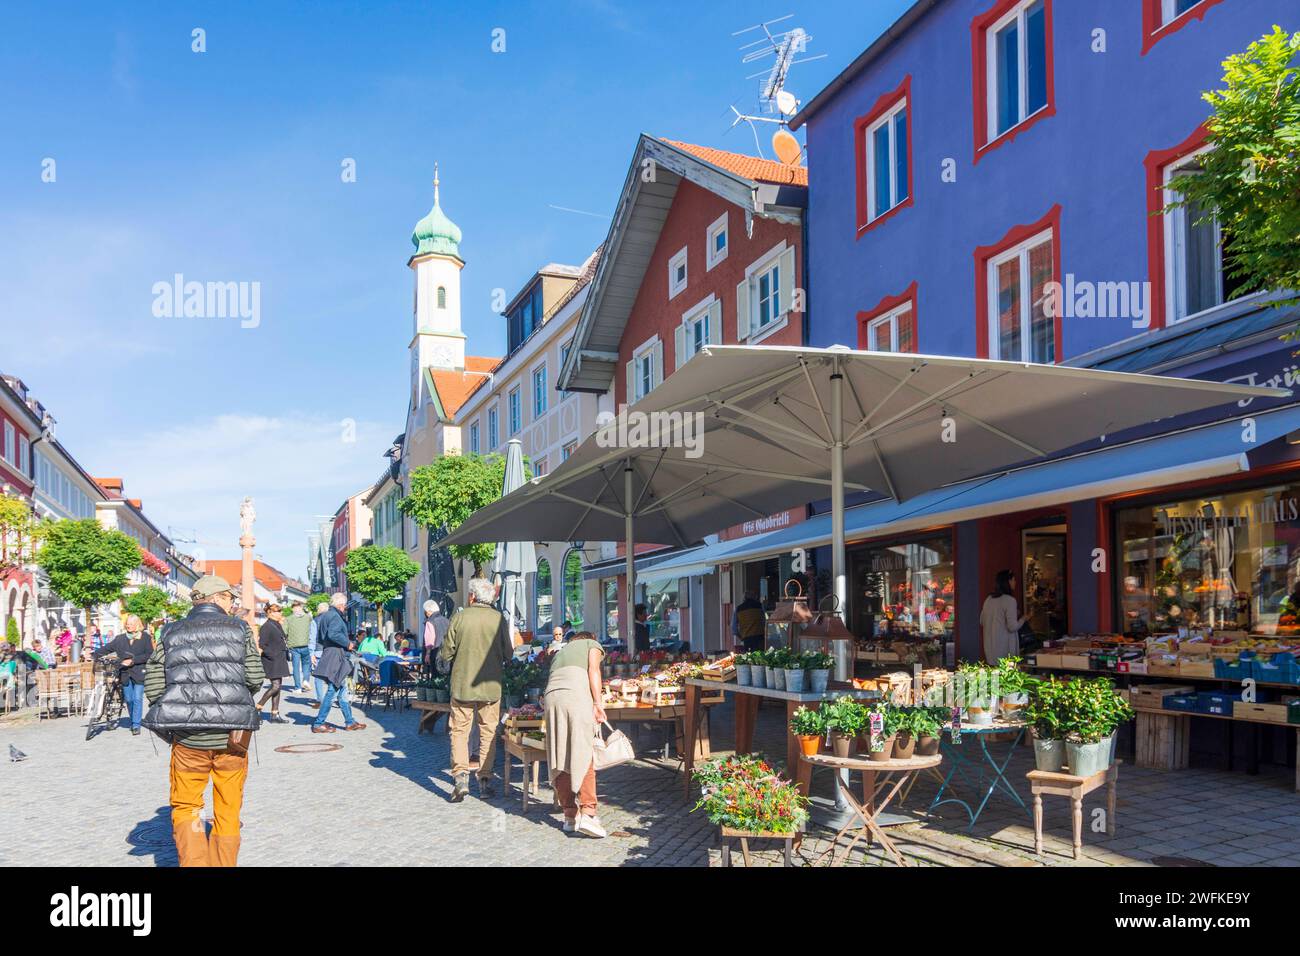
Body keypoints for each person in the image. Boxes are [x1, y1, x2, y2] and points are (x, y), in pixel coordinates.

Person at [141, 575, 264, 867]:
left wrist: (168, 709)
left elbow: (154, 681)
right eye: (231, 599)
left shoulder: (170, 631)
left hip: (187, 737)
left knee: (186, 806)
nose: (233, 604)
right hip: (232, 737)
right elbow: (255, 677)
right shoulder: (239, 629)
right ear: (218, 597)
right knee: (228, 808)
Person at [439, 577, 520, 802]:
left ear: (472, 596)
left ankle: (461, 778)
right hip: (490, 686)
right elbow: (509, 653)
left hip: (462, 685)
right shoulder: (498, 619)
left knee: (459, 731)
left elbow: (446, 652)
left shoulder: (460, 617)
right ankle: (484, 780)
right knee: (488, 732)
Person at [544, 630, 608, 837]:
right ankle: (589, 814)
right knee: (583, 751)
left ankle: (570, 815)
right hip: (575, 696)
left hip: (552, 698)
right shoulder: (592, 645)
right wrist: (598, 704)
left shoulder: (561, 651)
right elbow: (594, 671)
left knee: (560, 753)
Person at [311, 593, 365, 734]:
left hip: (331, 653)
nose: (345, 608)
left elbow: (322, 637)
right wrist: (348, 644)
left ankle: (350, 722)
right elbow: (333, 634)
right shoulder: (334, 616)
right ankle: (319, 723)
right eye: (345, 605)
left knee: (341, 689)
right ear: (341, 605)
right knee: (333, 690)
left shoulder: (325, 615)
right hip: (335, 656)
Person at [93, 613, 154, 735]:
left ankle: (136, 725)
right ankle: (133, 720)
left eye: (131, 624)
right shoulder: (120, 638)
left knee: (137, 698)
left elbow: (149, 655)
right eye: (127, 624)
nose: (128, 626)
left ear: (137, 625)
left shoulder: (145, 637)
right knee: (130, 700)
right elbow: (107, 648)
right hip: (124, 673)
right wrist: (93, 655)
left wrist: (133, 660)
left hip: (139, 672)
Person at [980, 569, 1026, 664]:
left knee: (995, 677)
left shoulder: (988, 599)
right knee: (1006, 677)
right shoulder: (1010, 600)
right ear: (1008, 582)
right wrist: (1024, 618)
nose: (1015, 582)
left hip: (990, 650)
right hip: (1005, 651)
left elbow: (982, 621)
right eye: (1013, 580)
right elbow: (1012, 627)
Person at [255, 604, 291, 723]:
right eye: (278, 611)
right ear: (270, 613)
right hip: (271, 660)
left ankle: (274, 714)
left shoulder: (276, 624)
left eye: (280, 611)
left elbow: (284, 637)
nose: (280, 613)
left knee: (278, 686)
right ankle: (258, 707)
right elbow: (262, 645)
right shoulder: (266, 626)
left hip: (279, 659)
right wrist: (273, 655)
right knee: (275, 686)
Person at [283, 600, 312, 693]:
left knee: (295, 667)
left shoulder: (288, 619)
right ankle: (306, 680)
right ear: (301, 608)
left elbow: (284, 632)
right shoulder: (308, 617)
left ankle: (298, 688)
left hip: (294, 646)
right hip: (306, 644)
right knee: (306, 665)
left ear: (292, 609)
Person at [308, 601, 329, 705]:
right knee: (331, 675)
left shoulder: (315, 621)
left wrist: (311, 653)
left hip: (318, 650)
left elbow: (312, 639)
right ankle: (331, 697)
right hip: (330, 650)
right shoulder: (331, 619)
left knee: (318, 676)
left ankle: (319, 698)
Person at [423, 600, 450, 668]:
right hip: (447, 652)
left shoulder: (430, 622)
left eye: (425, 611)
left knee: (435, 677)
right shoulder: (447, 620)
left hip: (435, 653)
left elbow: (429, 641)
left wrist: (427, 654)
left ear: (429, 611)